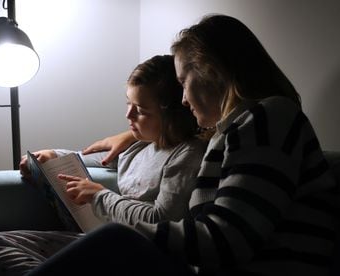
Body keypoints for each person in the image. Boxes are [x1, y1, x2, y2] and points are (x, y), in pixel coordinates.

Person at [26, 14, 339, 276]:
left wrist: (133, 232)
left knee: (114, 240)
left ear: (212, 73)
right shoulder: (230, 132)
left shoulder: (269, 118)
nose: (184, 99)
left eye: (182, 83)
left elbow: (227, 242)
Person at [0, 55, 209, 276]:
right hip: (100, 242)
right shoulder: (138, 144)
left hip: (135, 253)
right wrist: (52, 156)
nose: (128, 116)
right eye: (128, 104)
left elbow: (163, 220)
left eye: (140, 110)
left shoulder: (187, 154)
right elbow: (91, 158)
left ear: (172, 114)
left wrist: (99, 196)